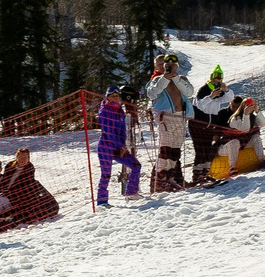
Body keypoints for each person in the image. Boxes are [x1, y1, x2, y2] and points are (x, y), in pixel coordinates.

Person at [145, 52, 191, 186]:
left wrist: (176, 78)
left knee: (176, 149)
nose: (168, 67)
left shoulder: (181, 78)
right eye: (164, 64)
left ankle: (171, 177)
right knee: (166, 149)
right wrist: (164, 79)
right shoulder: (156, 80)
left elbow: (189, 92)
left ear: (176, 66)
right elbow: (151, 94)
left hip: (180, 116)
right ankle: (159, 180)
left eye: (172, 64)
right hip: (165, 117)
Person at [93, 86, 138, 205]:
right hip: (106, 146)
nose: (114, 98)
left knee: (136, 165)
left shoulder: (120, 110)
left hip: (118, 146)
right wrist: (120, 145)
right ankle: (102, 202)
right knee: (106, 174)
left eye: (117, 96)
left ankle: (131, 193)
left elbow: (123, 130)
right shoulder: (104, 111)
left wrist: (123, 145)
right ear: (107, 97)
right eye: (112, 95)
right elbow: (109, 132)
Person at [190, 66, 236, 176]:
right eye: (215, 77)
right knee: (200, 150)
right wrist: (210, 97)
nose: (217, 80)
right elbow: (200, 105)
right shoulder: (204, 89)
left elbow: (229, 98)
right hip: (198, 124)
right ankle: (197, 175)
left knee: (208, 150)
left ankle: (206, 173)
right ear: (211, 78)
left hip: (210, 125)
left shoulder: (220, 91)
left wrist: (226, 90)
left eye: (219, 78)